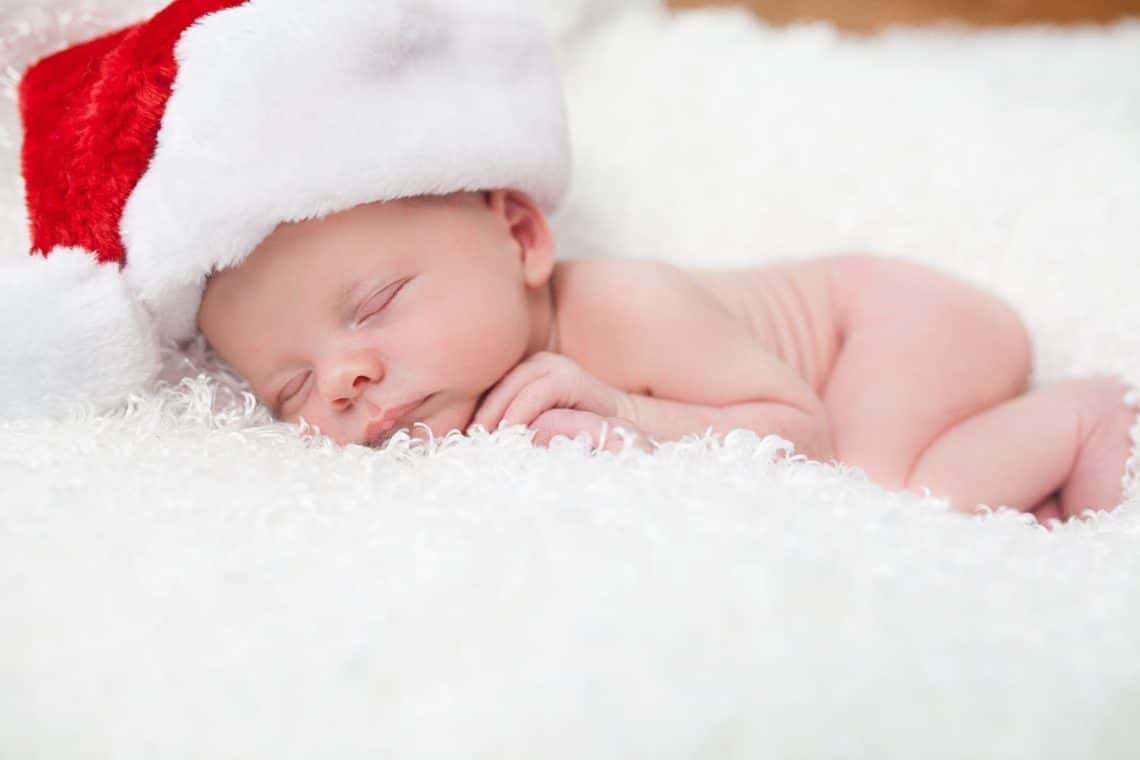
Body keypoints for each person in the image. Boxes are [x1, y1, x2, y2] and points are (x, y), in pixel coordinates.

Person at [3, 0, 1134, 526]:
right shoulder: (462, 411)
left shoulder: (623, 311)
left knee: (886, 496)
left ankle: (1086, 421)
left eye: (377, 302)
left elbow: (805, 434)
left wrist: (627, 417)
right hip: (865, 339)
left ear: (523, 234)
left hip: (890, 324)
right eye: (287, 386)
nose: (341, 378)